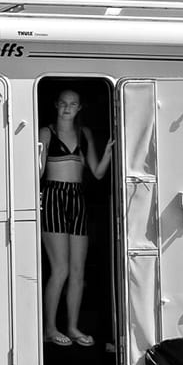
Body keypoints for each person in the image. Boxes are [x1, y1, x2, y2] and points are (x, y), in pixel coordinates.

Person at [39, 88, 113, 348]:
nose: (67, 108)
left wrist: (108, 153)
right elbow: (35, 171)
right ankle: (50, 328)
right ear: (56, 105)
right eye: (63, 104)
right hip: (53, 196)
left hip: (76, 198)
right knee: (60, 269)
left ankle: (71, 326)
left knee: (78, 271)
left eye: (73, 104)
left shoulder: (85, 134)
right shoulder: (46, 133)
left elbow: (97, 172)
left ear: (80, 108)